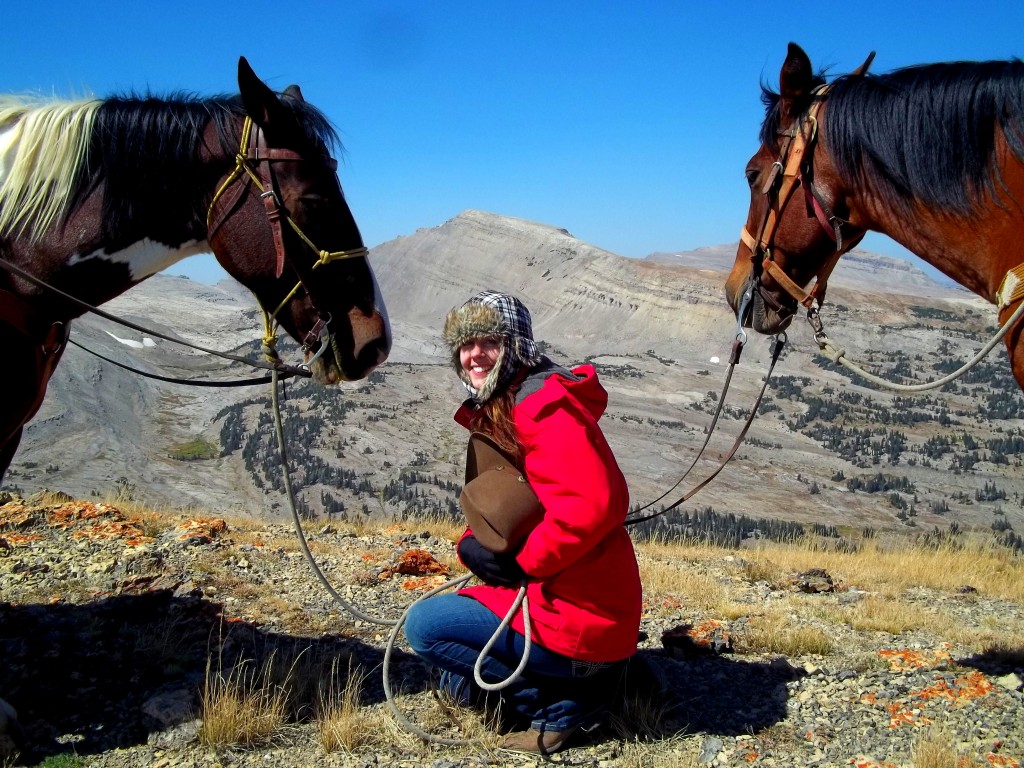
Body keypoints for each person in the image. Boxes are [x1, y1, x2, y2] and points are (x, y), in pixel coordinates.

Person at [403, 289, 642, 754]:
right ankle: (600, 679)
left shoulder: (540, 409)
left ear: (515, 347)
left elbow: (592, 505)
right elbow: (512, 500)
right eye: (464, 345)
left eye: (488, 342)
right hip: (577, 601)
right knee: (460, 684)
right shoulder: (514, 400)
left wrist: (523, 564)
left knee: (426, 628)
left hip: (577, 613)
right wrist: (473, 543)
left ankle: (566, 706)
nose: (473, 355)